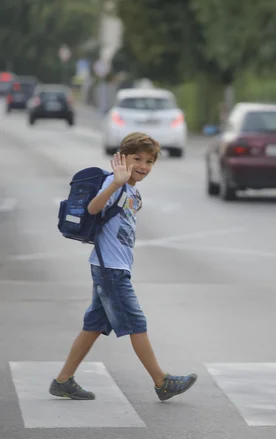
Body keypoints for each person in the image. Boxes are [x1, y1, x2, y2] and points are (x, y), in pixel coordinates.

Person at [49, 133, 197, 402]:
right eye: (137, 159)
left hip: (114, 267)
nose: (143, 166)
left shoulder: (130, 189)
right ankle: (162, 382)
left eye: (149, 161)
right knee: (136, 323)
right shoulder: (114, 183)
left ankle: (62, 380)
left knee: (94, 324)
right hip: (110, 270)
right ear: (122, 157)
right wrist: (115, 183)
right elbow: (93, 209)